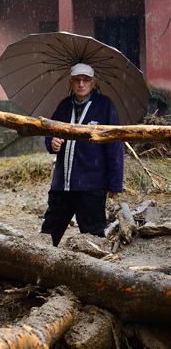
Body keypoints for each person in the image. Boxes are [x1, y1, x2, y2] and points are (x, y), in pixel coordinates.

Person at [41, 63, 124, 246]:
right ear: (71, 82)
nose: (81, 84)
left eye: (86, 80)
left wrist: (115, 183)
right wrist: (51, 142)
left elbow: (114, 146)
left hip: (91, 187)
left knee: (93, 238)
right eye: (77, 80)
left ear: (93, 83)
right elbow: (51, 132)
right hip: (62, 186)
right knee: (47, 235)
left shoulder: (104, 106)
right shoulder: (64, 106)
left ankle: (96, 272)